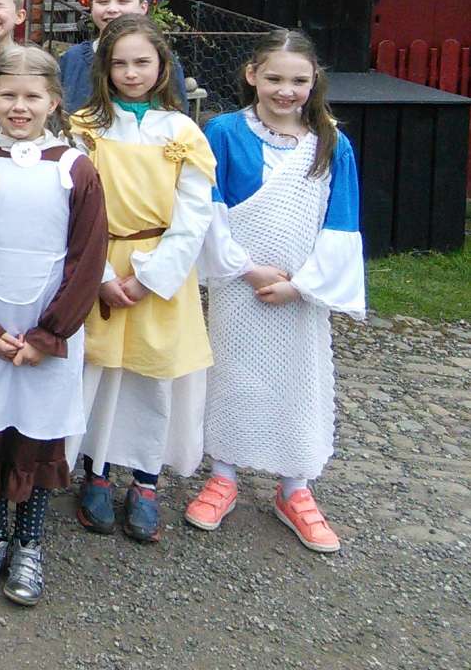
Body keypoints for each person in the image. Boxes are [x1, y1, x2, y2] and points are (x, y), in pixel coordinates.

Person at [0, 45, 108, 607]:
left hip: (45, 332)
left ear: (54, 100)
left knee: (35, 431)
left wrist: (50, 334)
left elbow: (87, 256)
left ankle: (29, 542)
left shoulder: (74, 168)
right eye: (8, 94)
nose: (19, 107)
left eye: (32, 96)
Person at [188, 30, 365, 553]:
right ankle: (222, 475)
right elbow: (209, 208)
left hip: (298, 291)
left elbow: (340, 221)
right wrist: (245, 268)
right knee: (231, 374)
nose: (286, 90)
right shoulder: (223, 132)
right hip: (240, 282)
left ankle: (295, 487)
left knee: (297, 379)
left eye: (298, 80)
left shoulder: (330, 143)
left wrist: (302, 285)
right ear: (252, 76)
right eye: (274, 78)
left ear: (314, 82)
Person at [67, 14, 215, 544]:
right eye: (120, 63)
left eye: (142, 62)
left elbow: (195, 212)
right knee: (102, 375)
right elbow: (74, 205)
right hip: (101, 260)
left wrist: (151, 278)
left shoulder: (182, 132)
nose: (131, 73)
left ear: (162, 66)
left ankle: (146, 481)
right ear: (104, 68)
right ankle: (97, 472)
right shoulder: (84, 128)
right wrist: (102, 275)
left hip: (161, 269)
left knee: (153, 376)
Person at [58, 0, 187, 114]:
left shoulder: (161, 59)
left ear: (143, 8)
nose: (112, 9)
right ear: (91, 6)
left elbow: (178, 112)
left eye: (123, 1)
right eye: (102, 1)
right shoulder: (73, 59)